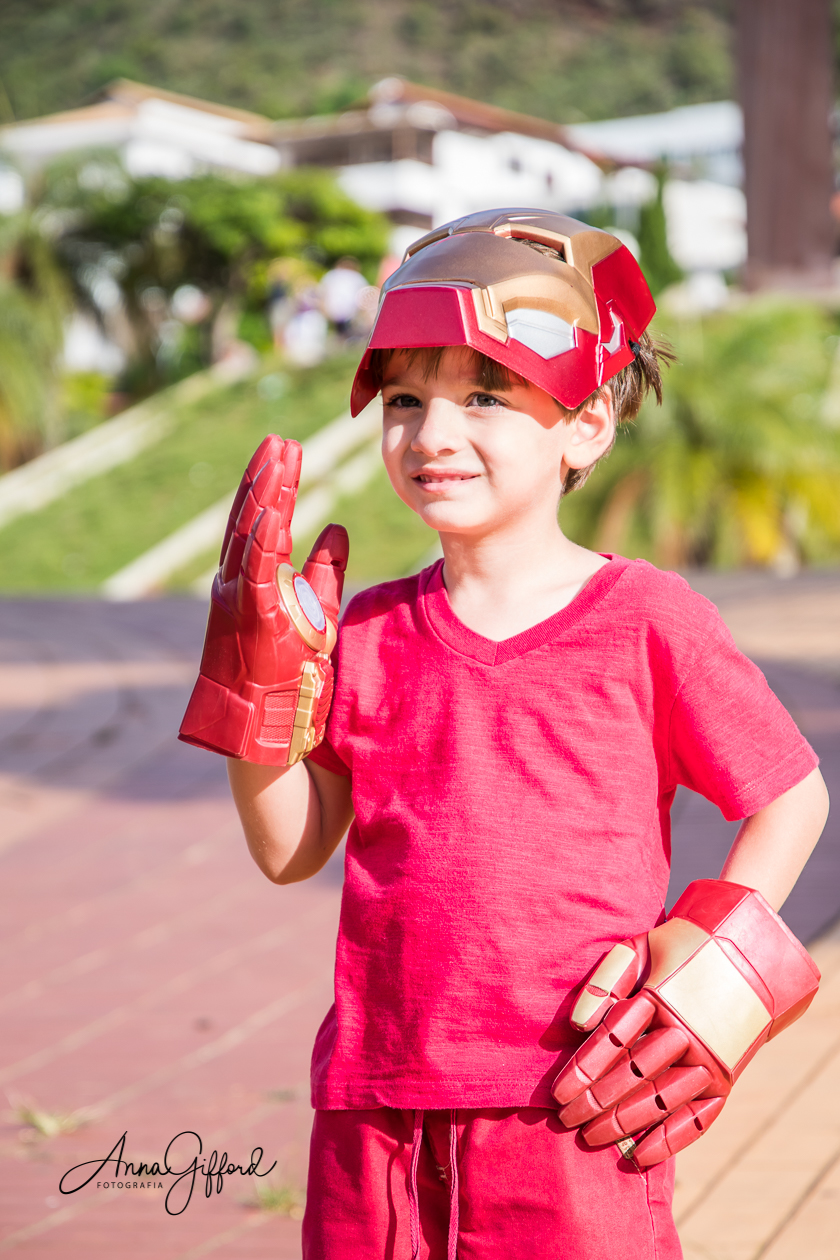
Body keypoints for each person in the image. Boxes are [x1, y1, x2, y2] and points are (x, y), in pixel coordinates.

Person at [179, 209, 829, 1259]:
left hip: (572, 1108)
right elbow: (290, 847)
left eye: (485, 395)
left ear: (586, 426)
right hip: (373, 1104)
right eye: (404, 400)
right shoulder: (368, 629)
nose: (433, 434)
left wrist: (715, 960)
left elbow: (790, 794)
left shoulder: (647, 619)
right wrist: (261, 697)